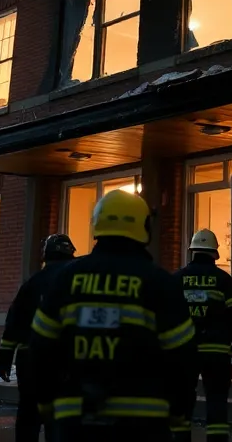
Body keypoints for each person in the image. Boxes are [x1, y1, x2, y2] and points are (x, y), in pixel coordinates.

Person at [29, 189, 197, 442]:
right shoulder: (159, 282)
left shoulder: (65, 279)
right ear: (144, 227)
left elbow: (40, 347)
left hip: (76, 417)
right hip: (143, 419)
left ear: (98, 225)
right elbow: (183, 356)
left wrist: (45, 401)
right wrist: (180, 411)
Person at [0, 233, 78, 442]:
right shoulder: (77, 281)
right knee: (59, 414)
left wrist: (5, 358)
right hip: (65, 359)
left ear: (46, 255)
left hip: (30, 359)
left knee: (28, 413)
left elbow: (14, 322)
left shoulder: (32, 283)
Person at [171, 229, 232, 442]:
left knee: (182, 401)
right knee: (217, 400)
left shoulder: (177, 279)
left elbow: (167, 314)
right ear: (214, 253)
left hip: (185, 350)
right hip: (216, 351)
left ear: (192, 251)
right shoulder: (223, 280)